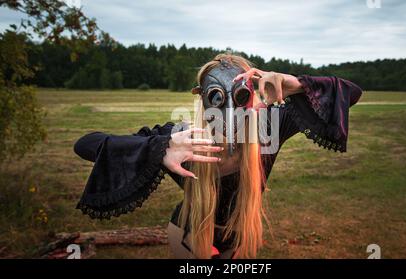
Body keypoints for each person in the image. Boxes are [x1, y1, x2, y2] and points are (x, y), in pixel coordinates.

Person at [73, 53, 362, 259]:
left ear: (251, 94)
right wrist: (160, 149)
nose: (229, 114)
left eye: (239, 95)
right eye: (216, 97)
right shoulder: (182, 139)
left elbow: (350, 93)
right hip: (188, 236)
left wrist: (294, 84)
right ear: (203, 98)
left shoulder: (268, 129)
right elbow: (86, 144)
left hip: (240, 238)